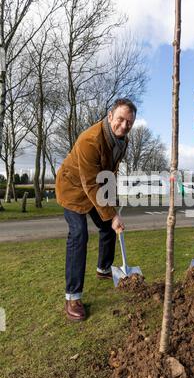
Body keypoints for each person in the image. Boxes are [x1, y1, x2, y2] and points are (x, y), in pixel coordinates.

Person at [55, 98, 137, 321]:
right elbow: (90, 183)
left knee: (108, 227)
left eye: (129, 122)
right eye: (120, 119)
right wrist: (111, 214)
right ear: (110, 116)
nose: (124, 126)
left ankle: (103, 268)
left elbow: (109, 174)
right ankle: (72, 296)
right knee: (79, 234)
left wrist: (113, 208)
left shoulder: (122, 141)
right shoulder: (89, 140)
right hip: (72, 189)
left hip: (94, 189)